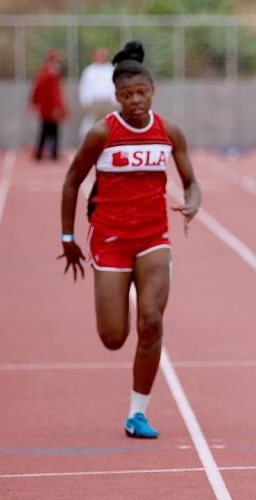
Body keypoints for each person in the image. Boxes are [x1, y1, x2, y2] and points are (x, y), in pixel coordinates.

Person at [59, 41, 201, 439]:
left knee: (152, 322)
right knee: (113, 337)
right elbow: (71, 182)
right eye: (127, 95)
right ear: (116, 97)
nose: (135, 100)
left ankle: (137, 413)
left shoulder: (168, 131)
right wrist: (68, 236)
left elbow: (192, 184)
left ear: (152, 92)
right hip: (110, 239)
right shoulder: (101, 134)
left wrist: (192, 204)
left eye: (142, 93)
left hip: (154, 237)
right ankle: (120, 345)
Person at [30, 48, 68, 161]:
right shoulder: (49, 75)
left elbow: (36, 91)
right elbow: (53, 94)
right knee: (51, 131)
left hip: (46, 108)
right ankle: (51, 153)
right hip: (50, 109)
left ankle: (42, 152)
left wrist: (35, 103)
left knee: (46, 131)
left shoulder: (43, 73)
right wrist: (56, 108)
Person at [78, 47, 118, 141]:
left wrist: (115, 99)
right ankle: (89, 142)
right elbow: (84, 86)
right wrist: (85, 100)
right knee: (92, 124)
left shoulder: (111, 70)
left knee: (109, 124)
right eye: (100, 55)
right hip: (94, 102)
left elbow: (115, 85)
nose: (102, 57)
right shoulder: (89, 70)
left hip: (108, 102)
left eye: (103, 55)